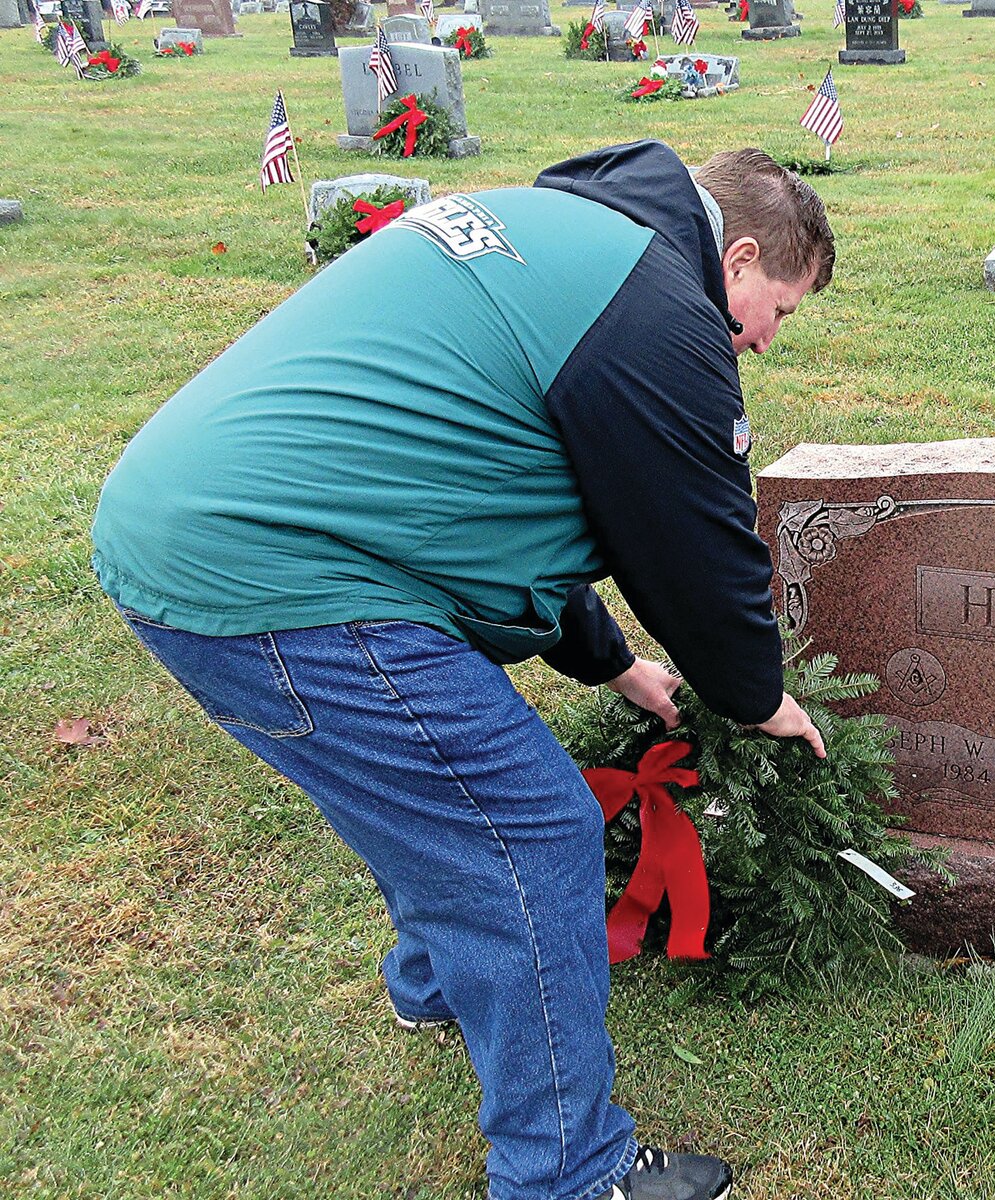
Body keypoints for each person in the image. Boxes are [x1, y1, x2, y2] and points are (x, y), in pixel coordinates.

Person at [90, 140, 835, 1200]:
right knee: (527, 829)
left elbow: (506, 498)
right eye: (780, 313)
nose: (761, 344)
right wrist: (756, 695)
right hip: (284, 578)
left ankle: (435, 982)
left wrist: (621, 669)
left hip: (188, 530)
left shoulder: (569, 244)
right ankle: (568, 1174)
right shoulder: (657, 309)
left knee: (433, 792)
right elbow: (697, 550)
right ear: (742, 257)